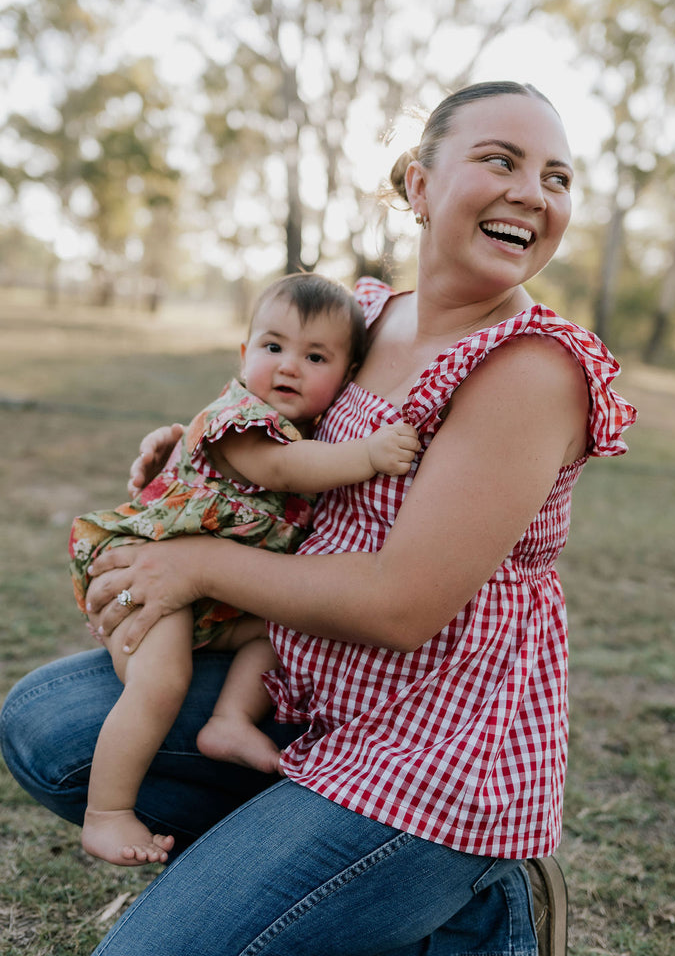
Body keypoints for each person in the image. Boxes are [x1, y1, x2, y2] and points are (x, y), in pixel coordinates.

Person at [0, 81, 637, 956]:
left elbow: (399, 604)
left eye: (557, 177)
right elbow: (272, 414)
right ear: (418, 186)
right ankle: (348, 885)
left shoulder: (530, 371)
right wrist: (194, 446)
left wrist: (197, 565)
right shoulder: (366, 315)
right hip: (299, 685)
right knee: (47, 722)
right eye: (500, 160)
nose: (533, 191)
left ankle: (473, 892)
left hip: (430, 749)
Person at [68, 272, 420, 866]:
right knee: (162, 681)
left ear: (348, 375)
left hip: (214, 598)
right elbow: (283, 471)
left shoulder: (303, 431)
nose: (288, 367)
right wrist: (367, 455)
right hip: (157, 580)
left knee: (278, 633)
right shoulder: (244, 422)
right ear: (244, 353)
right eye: (272, 347)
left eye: (315, 356)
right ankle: (107, 813)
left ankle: (229, 720)